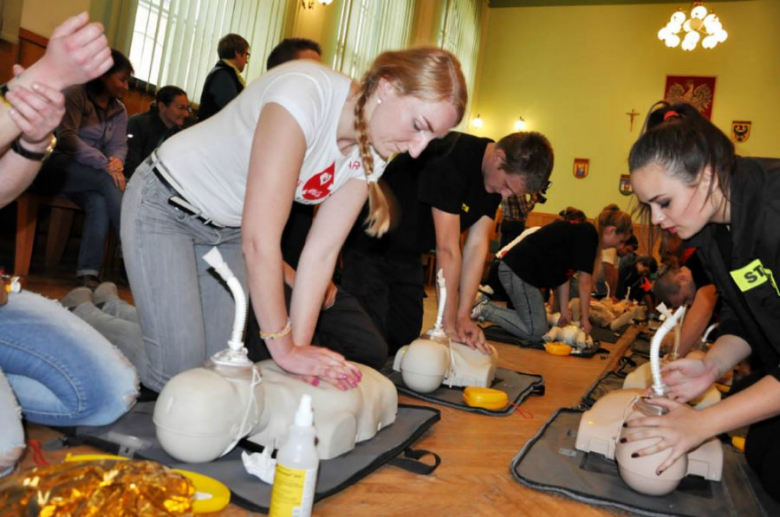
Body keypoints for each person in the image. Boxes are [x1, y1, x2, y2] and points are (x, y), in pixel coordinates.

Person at [121, 48, 467, 392]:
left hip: (226, 231)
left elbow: (322, 252)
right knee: (178, 374)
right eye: (419, 127)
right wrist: (283, 348)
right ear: (387, 87)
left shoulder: (375, 148)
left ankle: (143, 323)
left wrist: (297, 351)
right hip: (166, 205)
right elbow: (259, 242)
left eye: (431, 139)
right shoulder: (304, 94)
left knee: (217, 369)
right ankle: (91, 316)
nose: (417, 149)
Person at [0, 12, 137, 478]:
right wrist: (43, 79)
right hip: (80, 165)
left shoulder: (118, 111)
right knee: (3, 447)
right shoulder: (77, 94)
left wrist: (33, 140)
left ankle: (92, 285)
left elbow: (1, 189)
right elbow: (75, 142)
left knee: (110, 394)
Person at [623, 101, 780, 499]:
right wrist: (712, 365)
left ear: (707, 174)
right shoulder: (710, 230)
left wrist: (701, 423)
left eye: (664, 202)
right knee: (765, 454)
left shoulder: (773, 209)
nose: (657, 220)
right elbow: (746, 317)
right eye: (649, 207)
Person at [243, 38, 387, 370]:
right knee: (187, 363)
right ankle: (113, 311)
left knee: (371, 352)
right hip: (264, 269)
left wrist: (320, 284)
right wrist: (292, 278)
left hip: (306, 277)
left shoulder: (332, 141)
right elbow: (249, 237)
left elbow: (322, 245)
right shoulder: (275, 122)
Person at [341, 131, 554, 355]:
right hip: (370, 247)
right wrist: (448, 323)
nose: (505, 195)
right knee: (368, 342)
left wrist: (464, 316)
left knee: (403, 339)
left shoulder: (493, 180)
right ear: (499, 158)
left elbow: (476, 247)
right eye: (507, 186)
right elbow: (448, 249)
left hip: (409, 254)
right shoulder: (452, 156)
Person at [36, 49, 134, 289]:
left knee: (99, 201)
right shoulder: (76, 94)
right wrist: (105, 164)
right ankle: (133, 251)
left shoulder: (119, 110)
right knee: (106, 181)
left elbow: (119, 146)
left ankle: (87, 273)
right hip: (58, 165)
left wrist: (117, 162)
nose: (126, 86)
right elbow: (67, 138)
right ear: (102, 75)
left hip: (91, 176)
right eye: (122, 79)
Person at [473, 205, 632, 341]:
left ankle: (485, 308)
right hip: (516, 271)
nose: (618, 247)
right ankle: (484, 309)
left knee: (535, 323)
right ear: (611, 231)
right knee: (536, 331)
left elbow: (563, 276)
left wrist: (564, 311)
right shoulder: (588, 237)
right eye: (621, 241)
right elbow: (585, 284)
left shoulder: (584, 235)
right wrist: (585, 318)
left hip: (520, 273)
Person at [124, 85, 190, 177]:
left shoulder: (179, 134)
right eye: (180, 108)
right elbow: (130, 165)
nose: (186, 114)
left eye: (187, 108)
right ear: (162, 107)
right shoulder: (137, 124)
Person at [197, 33, 249, 122]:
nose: (247, 61)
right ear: (237, 53)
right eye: (246, 54)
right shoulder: (223, 76)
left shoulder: (222, 73)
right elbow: (234, 110)